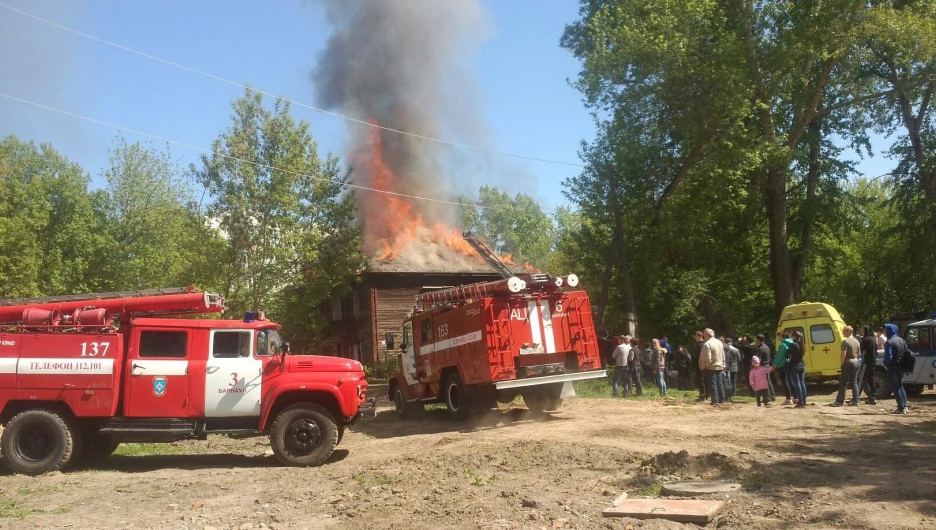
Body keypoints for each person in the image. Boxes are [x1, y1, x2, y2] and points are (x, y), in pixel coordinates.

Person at [830, 326, 861, 406]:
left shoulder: (845, 342)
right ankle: (856, 400)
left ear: (848, 331)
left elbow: (843, 354)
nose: (843, 333)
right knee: (854, 382)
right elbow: (859, 354)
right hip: (856, 362)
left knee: (843, 383)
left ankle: (839, 401)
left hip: (849, 363)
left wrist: (842, 364)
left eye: (844, 331)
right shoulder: (856, 341)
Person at [883, 323, 909, 414]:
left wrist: (885, 363)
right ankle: (905, 406)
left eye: (885, 329)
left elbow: (888, 357)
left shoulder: (889, 342)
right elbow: (906, 352)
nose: (883, 331)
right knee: (900, 385)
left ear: (889, 330)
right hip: (901, 366)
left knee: (895, 386)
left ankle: (901, 408)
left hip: (892, 367)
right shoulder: (901, 340)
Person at [699, 328, 726, 405]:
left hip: (711, 366)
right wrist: (723, 364)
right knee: (719, 383)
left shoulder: (707, 344)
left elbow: (707, 357)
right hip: (719, 365)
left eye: (704, 333)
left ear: (706, 335)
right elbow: (723, 354)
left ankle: (715, 400)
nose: (703, 335)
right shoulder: (719, 343)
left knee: (712, 383)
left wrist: (705, 365)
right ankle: (722, 399)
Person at [858, 325, 879, 404]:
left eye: (862, 330)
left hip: (866, 362)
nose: (861, 332)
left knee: (861, 379)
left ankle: (856, 397)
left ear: (866, 331)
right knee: (871, 379)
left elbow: (860, 350)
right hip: (873, 361)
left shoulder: (866, 339)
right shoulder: (873, 339)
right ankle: (873, 397)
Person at [788, 331, 808, 408]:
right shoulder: (802, 344)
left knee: (797, 383)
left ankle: (800, 401)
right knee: (802, 383)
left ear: (794, 336)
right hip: (802, 365)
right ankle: (804, 400)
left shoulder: (793, 344)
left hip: (795, 365)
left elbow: (787, 353)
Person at [773, 331, 794, 405]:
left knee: (785, 382)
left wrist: (775, 363)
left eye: (779, 336)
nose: (778, 338)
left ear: (782, 337)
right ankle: (795, 397)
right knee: (790, 381)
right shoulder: (790, 343)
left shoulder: (783, 344)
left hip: (782, 365)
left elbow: (780, 355)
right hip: (788, 363)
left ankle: (788, 399)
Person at [755, 334, 776, 402]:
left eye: (756, 339)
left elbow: (759, 359)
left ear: (758, 339)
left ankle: (767, 398)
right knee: (768, 381)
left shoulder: (760, 348)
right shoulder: (766, 346)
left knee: (765, 382)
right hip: (767, 365)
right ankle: (771, 396)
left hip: (763, 366)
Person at [692, 331, 708, 402]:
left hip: (701, 365)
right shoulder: (699, 344)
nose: (695, 338)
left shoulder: (702, 345)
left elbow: (700, 355)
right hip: (698, 365)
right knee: (702, 380)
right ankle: (705, 394)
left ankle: (703, 395)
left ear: (700, 336)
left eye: (696, 336)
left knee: (702, 380)